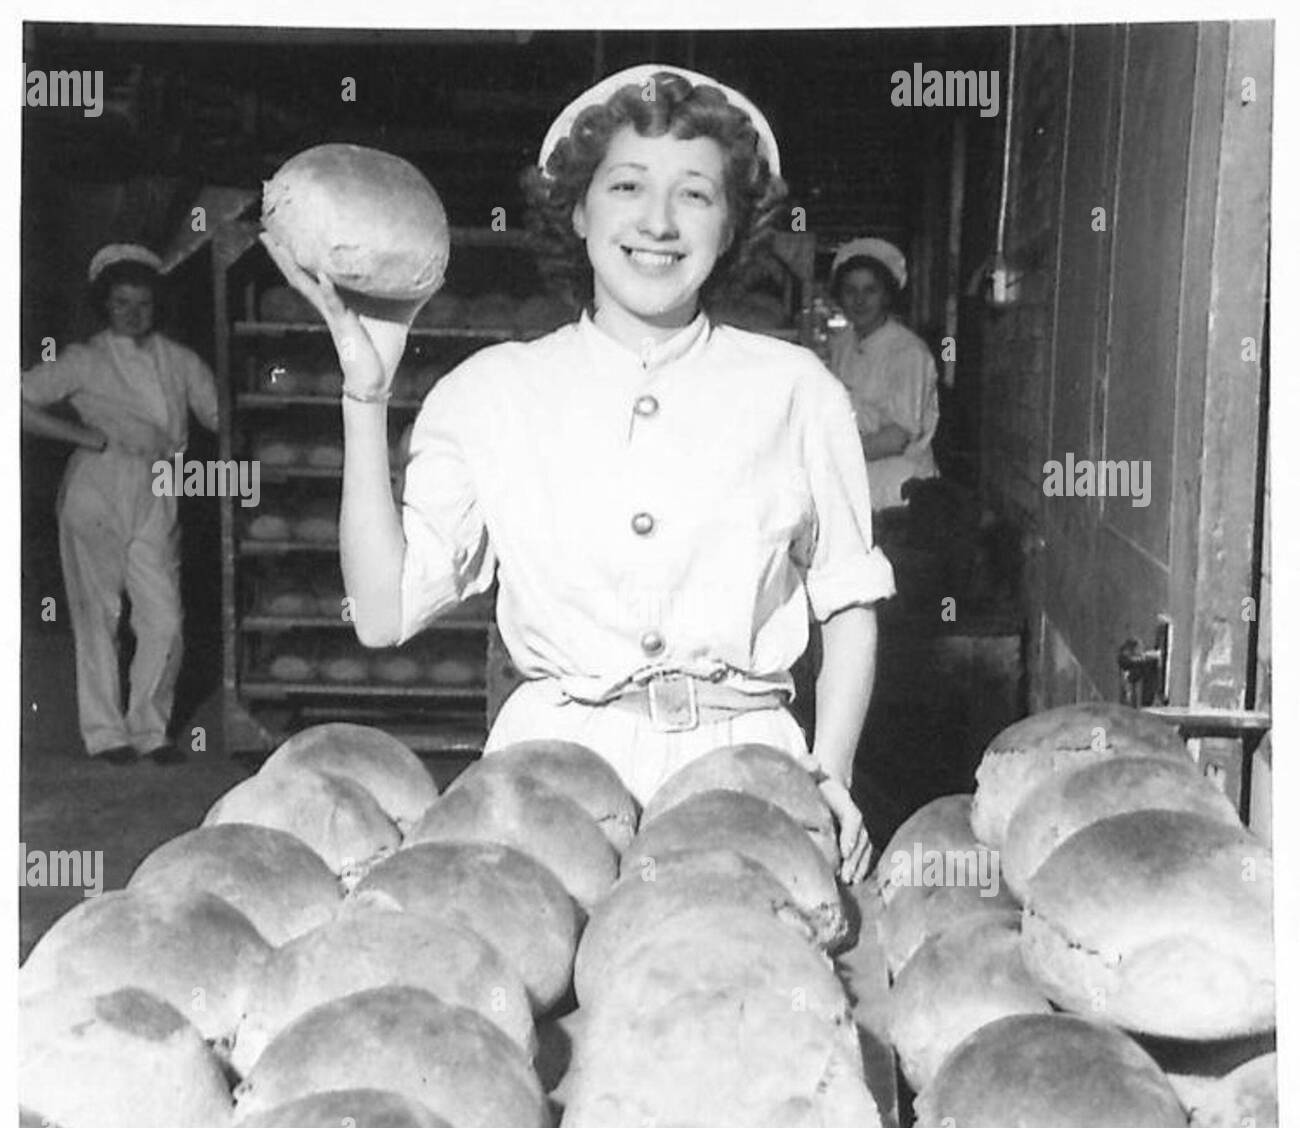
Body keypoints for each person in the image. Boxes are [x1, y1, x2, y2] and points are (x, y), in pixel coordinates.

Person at [262, 65, 896, 882]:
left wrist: (830, 773)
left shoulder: (798, 390)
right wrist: (366, 392)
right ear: (577, 208)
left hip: (747, 775)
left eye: (696, 194)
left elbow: (849, 603)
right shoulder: (491, 391)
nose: (658, 222)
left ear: (733, 223)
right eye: (626, 185)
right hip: (545, 790)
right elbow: (383, 614)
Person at [21, 243, 219, 765]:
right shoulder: (84, 360)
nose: (133, 314)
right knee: (97, 614)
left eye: (143, 304)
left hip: (161, 486)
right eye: (121, 303)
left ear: (158, 306)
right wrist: (81, 436)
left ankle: (151, 728)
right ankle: (106, 733)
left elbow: (221, 416)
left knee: (165, 620)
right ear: (104, 306)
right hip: (99, 484)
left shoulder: (181, 361)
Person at [828, 238, 939, 511]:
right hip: (854, 479)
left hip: (900, 487)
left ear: (887, 296)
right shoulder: (842, 344)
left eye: (870, 290)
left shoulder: (909, 352)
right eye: (850, 290)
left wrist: (830, 453)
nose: (859, 300)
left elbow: (897, 439)